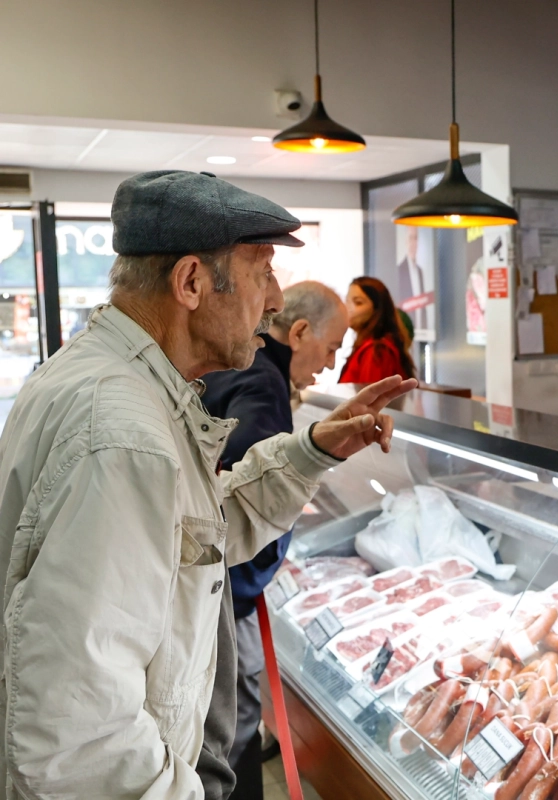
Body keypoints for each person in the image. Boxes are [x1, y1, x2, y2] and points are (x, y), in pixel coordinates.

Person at [0, 170, 416, 798]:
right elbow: (81, 735)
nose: (275, 300)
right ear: (191, 282)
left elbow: (192, 535)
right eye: (262, 271)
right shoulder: (122, 433)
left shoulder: (119, 384)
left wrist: (309, 452)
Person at [198, 281, 349, 800]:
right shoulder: (264, 382)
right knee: (232, 731)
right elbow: (245, 486)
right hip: (231, 590)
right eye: (331, 348)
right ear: (301, 331)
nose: (331, 365)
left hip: (216, 584)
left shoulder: (238, 368)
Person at [340, 275, 417, 384]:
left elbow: (370, 398)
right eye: (347, 301)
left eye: (358, 302)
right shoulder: (367, 346)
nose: (348, 308)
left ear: (377, 309)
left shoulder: (377, 352)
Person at [396, 225, 433, 333]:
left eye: (415, 238)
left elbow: (423, 305)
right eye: (410, 238)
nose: (413, 243)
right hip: (405, 332)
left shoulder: (420, 271)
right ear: (406, 242)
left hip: (421, 332)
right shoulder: (399, 270)